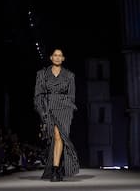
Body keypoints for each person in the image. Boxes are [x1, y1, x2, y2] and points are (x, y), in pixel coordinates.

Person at [34, 48, 79, 182]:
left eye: (60, 55)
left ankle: (55, 169)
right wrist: (42, 111)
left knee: (60, 136)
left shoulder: (70, 75)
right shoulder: (42, 74)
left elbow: (71, 96)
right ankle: (57, 168)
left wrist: (69, 110)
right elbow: (37, 94)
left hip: (64, 109)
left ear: (63, 58)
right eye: (55, 55)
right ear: (51, 58)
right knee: (55, 138)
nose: (58, 57)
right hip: (48, 107)